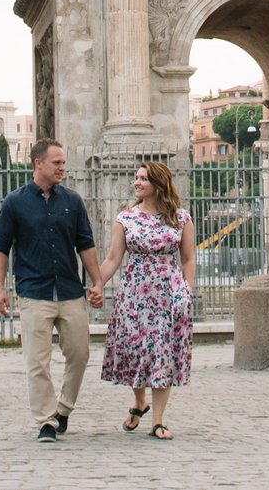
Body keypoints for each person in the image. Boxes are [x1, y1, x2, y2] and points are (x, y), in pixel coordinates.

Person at [0, 139, 104, 443]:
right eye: (57, 162)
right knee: (37, 361)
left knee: (79, 354)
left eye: (64, 162)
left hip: (69, 290)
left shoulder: (73, 201)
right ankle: (45, 420)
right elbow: (0, 246)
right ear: (38, 163)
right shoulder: (14, 203)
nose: (62, 168)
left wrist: (97, 282)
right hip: (34, 291)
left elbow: (86, 244)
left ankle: (63, 409)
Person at [97, 161, 196, 440]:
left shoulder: (181, 219)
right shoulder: (125, 218)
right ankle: (140, 402)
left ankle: (158, 420)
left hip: (168, 293)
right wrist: (97, 284)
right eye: (136, 178)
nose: (137, 183)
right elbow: (113, 258)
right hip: (135, 293)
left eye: (143, 178)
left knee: (163, 353)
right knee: (136, 350)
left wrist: (186, 291)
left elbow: (188, 258)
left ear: (158, 184)